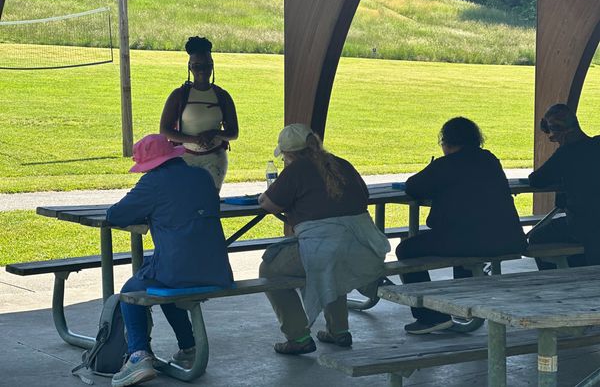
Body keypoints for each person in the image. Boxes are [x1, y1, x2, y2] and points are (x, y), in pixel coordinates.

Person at [107, 134, 234, 387]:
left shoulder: (153, 182)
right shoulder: (202, 177)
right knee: (165, 287)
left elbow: (116, 215)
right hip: (217, 268)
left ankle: (138, 356)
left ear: (149, 164)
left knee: (131, 292)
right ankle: (188, 347)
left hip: (177, 267)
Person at [258, 124, 390, 355]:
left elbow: (269, 204)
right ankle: (339, 331)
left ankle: (298, 336)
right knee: (331, 262)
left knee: (270, 269)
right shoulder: (342, 164)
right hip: (362, 246)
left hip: (326, 248)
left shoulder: (296, 169)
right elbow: (364, 196)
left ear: (288, 153)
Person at [395, 117, 526, 335]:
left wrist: (433, 169)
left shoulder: (445, 164)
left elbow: (414, 187)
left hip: (469, 240)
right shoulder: (489, 159)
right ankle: (462, 304)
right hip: (507, 238)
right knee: (460, 244)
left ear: (446, 141)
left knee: (406, 249)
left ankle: (429, 316)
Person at [160, 36, 239, 192]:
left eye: (206, 65)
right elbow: (165, 130)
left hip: (215, 159)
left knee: (209, 201)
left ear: (212, 66)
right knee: (186, 201)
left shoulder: (222, 96)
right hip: (184, 158)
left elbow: (233, 133)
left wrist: (214, 133)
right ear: (189, 67)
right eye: (197, 66)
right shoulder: (179, 95)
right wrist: (195, 139)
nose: (202, 70)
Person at [528, 103, 600, 268]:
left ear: (560, 133)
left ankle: (553, 281)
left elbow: (536, 180)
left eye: (552, 137)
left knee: (536, 238)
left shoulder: (565, 154)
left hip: (582, 225)